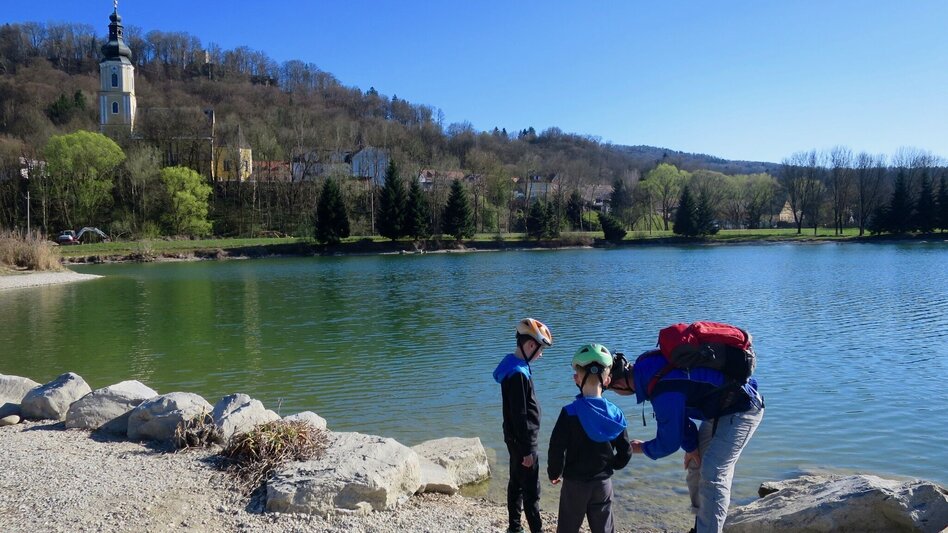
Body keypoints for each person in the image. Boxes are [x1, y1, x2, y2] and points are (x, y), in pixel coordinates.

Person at [617, 350, 764, 533]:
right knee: (696, 463)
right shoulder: (648, 370)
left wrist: (641, 448)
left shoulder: (660, 388)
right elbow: (679, 413)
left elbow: (668, 443)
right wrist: (691, 446)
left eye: (612, 389)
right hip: (719, 410)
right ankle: (700, 526)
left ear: (620, 384)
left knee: (713, 473)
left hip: (743, 409)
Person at [548, 343, 631, 533]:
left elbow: (556, 448)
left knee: (568, 528)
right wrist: (613, 465)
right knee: (604, 528)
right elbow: (625, 451)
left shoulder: (569, 413)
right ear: (608, 380)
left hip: (574, 484)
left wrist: (554, 472)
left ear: (576, 379)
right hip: (602, 483)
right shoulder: (615, 414)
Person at [493, 318, 554, 533]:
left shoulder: (513, 366)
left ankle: (515, 527)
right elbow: (520, 415)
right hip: (524, 442)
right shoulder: (519, 374)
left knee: (516, 483)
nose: (541, 354)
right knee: (531, 491)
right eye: (540, 349)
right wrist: (527, 450)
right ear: (529, 345)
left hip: (514, 439)